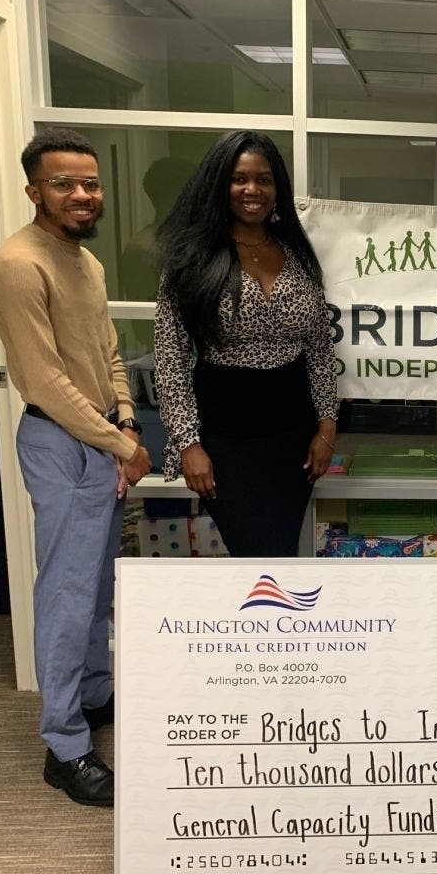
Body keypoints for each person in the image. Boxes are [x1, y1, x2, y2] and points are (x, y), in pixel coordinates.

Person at [0, 128, 152, 807]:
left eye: (89, 183)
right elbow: (45, 381)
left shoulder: (86, 261)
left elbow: (107, 349)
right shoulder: (18, 265)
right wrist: (117, 446)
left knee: (95, 587)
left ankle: (92, 697)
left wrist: (129, 421)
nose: (82, 194)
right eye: (64, 183)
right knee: (66, 594)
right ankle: (64, 746)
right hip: (62, 444)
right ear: (34, 190)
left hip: (103, 438)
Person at [154, 131, 338, 557]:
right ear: (220, 184)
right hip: (224, 439)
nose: (252, 190)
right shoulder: (192, 260)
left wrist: (326, 427)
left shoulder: (296, 253)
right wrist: (188, 444)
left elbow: (319, 350)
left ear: (278, 188)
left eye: (264, 180)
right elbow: (171, 360)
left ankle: (275, 624)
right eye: (239, 179)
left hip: (293, 435)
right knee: (256, 554)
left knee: (282, 551)